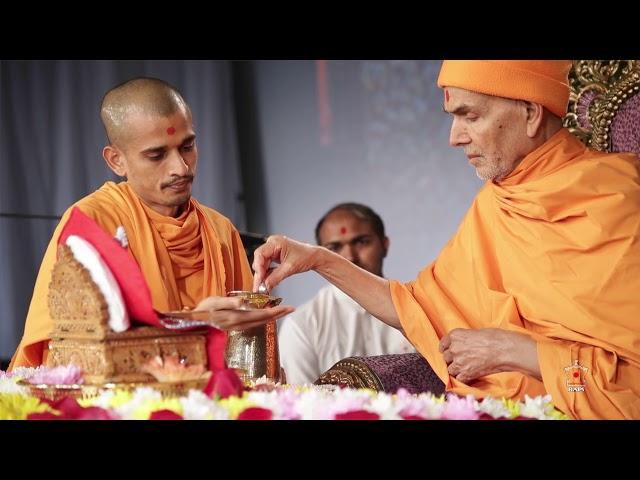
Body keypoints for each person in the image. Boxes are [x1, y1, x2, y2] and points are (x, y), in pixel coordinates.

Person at [252, 61, 640, 419]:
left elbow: (629, 386)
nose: (454, 137)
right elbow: (418, 310)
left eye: (469, 115)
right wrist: (319, 260)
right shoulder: (497, 205)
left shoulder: (616, 201)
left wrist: (513, 351)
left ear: (530, 113)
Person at [10, 77, 292, 369]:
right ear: (116, 160)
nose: (181, 168)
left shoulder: (219, 230)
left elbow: (243, 354)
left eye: (188, 146)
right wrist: (194, 323)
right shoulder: (91, 224)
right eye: (156, 155)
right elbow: (72, 351)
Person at [278, 203, 415, 384]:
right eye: (334, 248)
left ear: (385, 245)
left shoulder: (416, 310)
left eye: (362, 242)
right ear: (317, 255)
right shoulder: (302, 325)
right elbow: (302, 405)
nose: (350, 257)